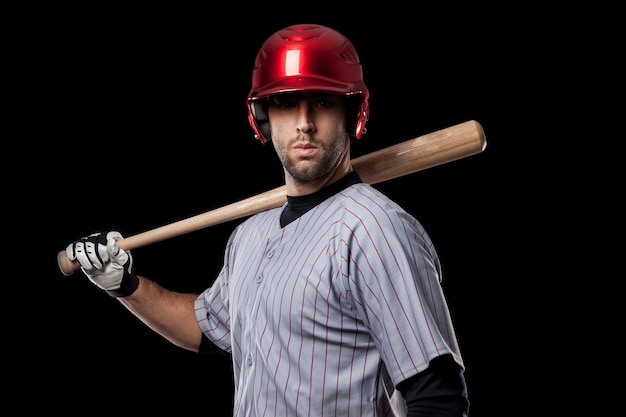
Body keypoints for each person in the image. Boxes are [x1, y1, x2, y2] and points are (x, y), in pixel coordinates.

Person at [64, 23, 470, 416]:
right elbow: (207, 328)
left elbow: (438, 397)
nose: (304, 123)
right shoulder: (250, 234)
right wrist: (126, 286)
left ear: (352, 113)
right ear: (262, 118)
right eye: (287, 103)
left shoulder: (375, 229)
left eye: (323, 102)